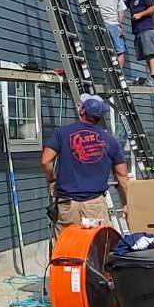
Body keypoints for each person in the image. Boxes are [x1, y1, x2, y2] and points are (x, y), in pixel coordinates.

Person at [41, 94, 129, 235]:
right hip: (95, 205)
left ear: (82, 110)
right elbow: (122, 175)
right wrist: (126, 203)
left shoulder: (62, 133)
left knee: (67, 249)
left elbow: (46, 160)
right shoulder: (110, 140)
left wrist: (52, 180)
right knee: (96, 247)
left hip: (67, 205)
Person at [125, 0, 154, 84]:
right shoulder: (131, 0)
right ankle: (151, 76)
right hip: (138, 31)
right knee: (145, 54)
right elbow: (120, 5)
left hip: (147, 28)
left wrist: (140, 14)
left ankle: (153, 76)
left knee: (150, 53)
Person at [91, 0, 127, 67]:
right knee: (120, 52)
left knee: (104, 50)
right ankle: (119, 74)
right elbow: (121, 10)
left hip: (101, 25)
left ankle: (107, 70)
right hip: (114, 25)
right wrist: (120, 23)